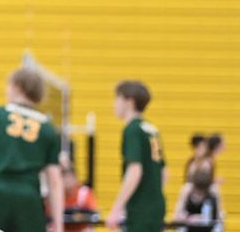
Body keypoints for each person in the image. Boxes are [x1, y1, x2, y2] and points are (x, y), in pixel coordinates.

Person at [0, 67, 63, 232]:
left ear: (17, 86)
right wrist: (59, 224)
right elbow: (54, 179)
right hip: (28, 199)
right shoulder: (48, 128)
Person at [106, 81, 165, 232]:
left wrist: (116, 209)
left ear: (129, 101)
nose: (114, 104)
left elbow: (135, 170)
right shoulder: (151, 129)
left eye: (117, 98)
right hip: (156, 206)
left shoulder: (132, 130)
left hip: (140, 209)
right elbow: (164, 172)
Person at [60, 163, 97, 232]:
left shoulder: (84, 193)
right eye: (64, 177)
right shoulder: (57, 196)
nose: (67, 181)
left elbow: (92, 215)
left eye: (69, 177)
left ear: (75, 178)